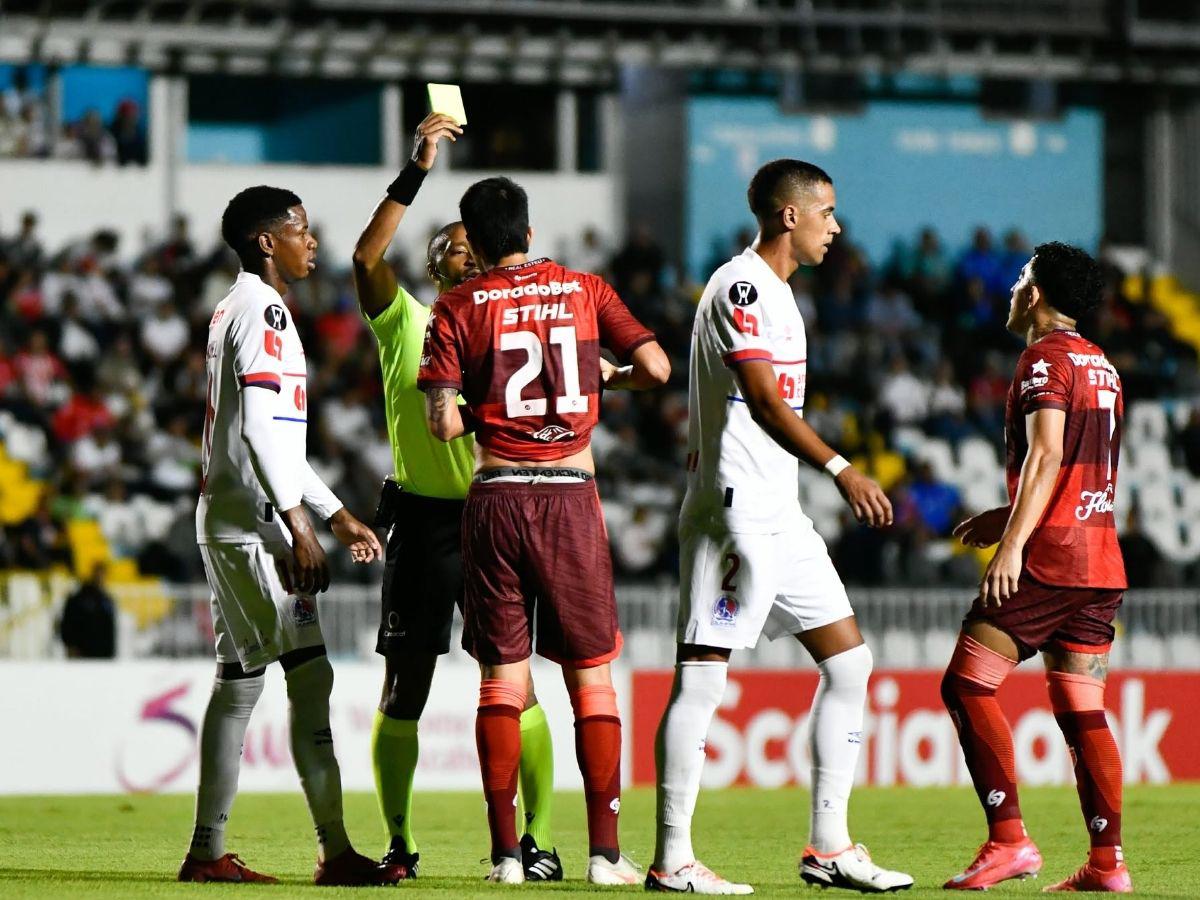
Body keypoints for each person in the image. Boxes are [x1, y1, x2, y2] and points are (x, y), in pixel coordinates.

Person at [649, 159, 912, 895]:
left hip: (780, 515)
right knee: (702, 682)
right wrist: (842, 468)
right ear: (789, 215)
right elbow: (764, 403)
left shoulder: (783, 296)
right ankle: (672, 859)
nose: (836, 225)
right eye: (827, 211)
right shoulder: (741, 286)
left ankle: (828, 847)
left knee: (850, 665)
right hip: (733, 515)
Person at [418, 176, 670, 885]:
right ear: (528, 232)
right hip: (568, 493)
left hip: (494, 494)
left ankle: (505, 858)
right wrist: (599, 382)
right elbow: (654, 367)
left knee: (502, 679)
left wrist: (488, 400)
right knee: (592, 680)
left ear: (474, 239)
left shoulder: (455, 305)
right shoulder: (585, 289)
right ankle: (604, 857)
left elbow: (441, 423)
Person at [352, 114, 560, 881]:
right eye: (446, 246)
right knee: (404, 686)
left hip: (498, 513)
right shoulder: (404, 320)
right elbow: (366, 254)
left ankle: (532, 841)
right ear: (436, 265)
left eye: (469, 244)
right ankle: (400, 845)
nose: (457, 251)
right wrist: (417, 168)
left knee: (514, 681)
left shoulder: (514, 324)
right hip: (427, 521)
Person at [180, 185, 391, 886]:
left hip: (243, 522)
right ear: (266, 241)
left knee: (241, 684)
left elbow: (277, 443)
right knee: (303, 677)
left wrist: (334, 512)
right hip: (253, 530)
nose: (313, 240)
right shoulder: (262, 310)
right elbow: (261, 434)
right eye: (300, 228)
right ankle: (330, 853)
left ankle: (212, 852)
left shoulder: (243, 307)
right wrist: (301, 524)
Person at [942, 242, 1131, 893]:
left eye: (1022, 278)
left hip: (1050, 561)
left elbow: (1048, 454)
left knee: (966, 685)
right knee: (1082, 709)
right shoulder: (1100, 364)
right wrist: (1008, 511)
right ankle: (1108, 864)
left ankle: (1009, 842)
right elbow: (1076, 463)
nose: (1014, 288)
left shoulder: (1043, 358)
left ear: (1039, 293)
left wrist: (1015, 542)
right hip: (1099, 561)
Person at [59, 562, 116, 658]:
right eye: (98, 573)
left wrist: (111, 654)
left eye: (103, 574)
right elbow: (67, 623)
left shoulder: (107, 600)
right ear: (92, 574)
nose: (101, 577)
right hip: (82, 654)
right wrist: (70, 646)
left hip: (103, 656)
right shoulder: (78, 598)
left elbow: (110, 630)